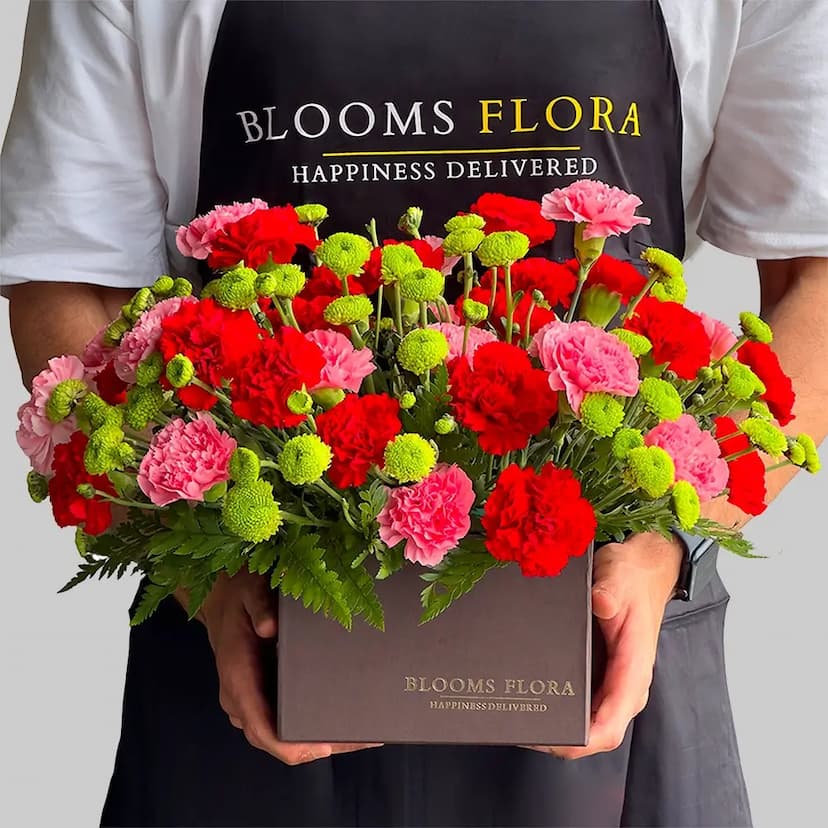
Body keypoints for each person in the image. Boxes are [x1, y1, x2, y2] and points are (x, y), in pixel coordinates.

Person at [2, 1, 827, 826]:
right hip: (247, 653)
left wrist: (667, 540)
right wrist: (207, 578)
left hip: (614, 640)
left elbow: (814, 280)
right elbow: (67, 276)